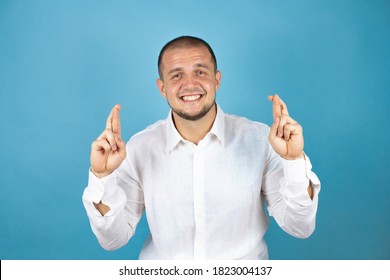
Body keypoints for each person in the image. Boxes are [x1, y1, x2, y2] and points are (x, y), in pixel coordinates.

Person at [82, 36, 320, 260]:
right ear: (162, 87)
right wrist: (103, 178)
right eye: (176, 75)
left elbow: (300, 227)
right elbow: (112, 240)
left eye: (200, 72)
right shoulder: (140, 147)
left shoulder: (260, 140)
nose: (190, 84)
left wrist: (293, 161)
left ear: (216, 80)